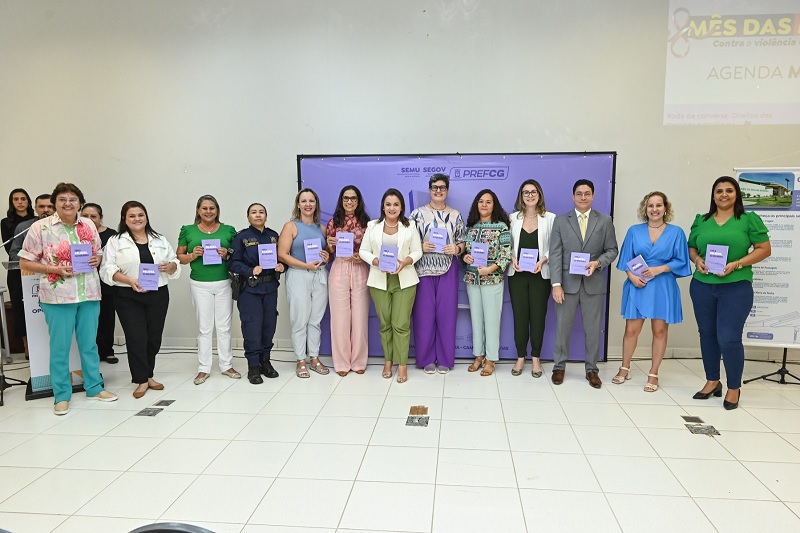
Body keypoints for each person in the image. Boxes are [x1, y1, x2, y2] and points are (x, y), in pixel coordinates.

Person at [18, 183, 118, 415]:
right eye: (62, 199)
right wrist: (52, 268)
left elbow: (98, 252)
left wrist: (96, 259)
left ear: (79, 203)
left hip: (89, 293)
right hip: (57, 296)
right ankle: (61, 395)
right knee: (60, 348)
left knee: (89, 345)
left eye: (73, 199)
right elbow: (25, 261)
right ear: (55, 203)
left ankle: (94, 387)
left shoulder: (89, 224)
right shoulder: (40, 227)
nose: (68, 203)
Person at [688, 176, 771, 410]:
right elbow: (692, 246)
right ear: (713, 195)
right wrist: (697, 260)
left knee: (728, 337)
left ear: (737, 194)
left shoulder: (747, 220)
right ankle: (712, 381)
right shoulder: (702, 220)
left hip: (736, 286)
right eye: (719, 191)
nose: (723, 195)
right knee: (707, 334)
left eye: (729, 190)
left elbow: (764, 249)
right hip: (703, 285)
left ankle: (734, 387)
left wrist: (737, 264)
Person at [100, 201, 181, 399]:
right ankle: (141, 380)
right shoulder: (115, 241)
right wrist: (128, 280)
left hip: (158, 293)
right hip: (127, 295)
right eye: (132, 216)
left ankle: (149, 375)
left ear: (146, 217)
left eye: (140, 215)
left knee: (153, 337)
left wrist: (170, 267)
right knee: (136, 337)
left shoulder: (159, 239)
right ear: (124, 219)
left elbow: (175, 262)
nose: (137, 219)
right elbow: (106, 269)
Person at [614, 192, 691, 391]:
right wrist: (632, 277)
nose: (654, 209)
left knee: (659, 331)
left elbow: (681, 260)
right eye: (650, 206)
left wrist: (660, 269)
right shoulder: (634, 231)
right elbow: (625, 259)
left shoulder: (676, 233)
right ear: (645, 209)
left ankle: (654, 372)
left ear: (666, 208)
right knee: (631, 330)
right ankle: (625, 367)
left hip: (663, 286)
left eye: (658, 205)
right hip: (638, 284)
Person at [550, 179, 618, 388]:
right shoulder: (561, 221)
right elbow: (555, 254)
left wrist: (598, 263)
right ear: (573, 196)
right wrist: (556, 284)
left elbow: (612, 250)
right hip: (567, 285)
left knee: (592, 329)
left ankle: (592, 370)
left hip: (593, 285)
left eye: (587, 193)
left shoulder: (604, 221)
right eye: (579, 194)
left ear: (593, 196)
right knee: (562, 328)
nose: (583, 197)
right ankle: (559, 367)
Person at [359, 188, 422, 383]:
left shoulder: (410, 225)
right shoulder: (373, 226)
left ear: (401, 206)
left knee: (401, 324)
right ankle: (388, 361)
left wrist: (405, 262)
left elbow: (418, 251)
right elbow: (363, 251)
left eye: (396, 204)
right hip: (379, 280)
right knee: (385, 324)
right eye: (388, 204)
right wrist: (376, 261)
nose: (392, 208)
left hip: (405, 280)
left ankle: (402, 364)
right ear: (383, 206)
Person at [176, 195, 240, 385]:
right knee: (205, 328)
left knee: (224, 327)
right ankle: (203, 368)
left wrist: (227, 253)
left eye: (212, 208)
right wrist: (192, 254)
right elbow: (179, 257)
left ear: (217, 210)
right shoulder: (188, 230)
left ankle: (226, 365)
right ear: (198, 210)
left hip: (224, 283)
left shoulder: (229, 230)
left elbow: (237, 255)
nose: (208, 211)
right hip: (200, 284)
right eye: (204, 208)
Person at [409, 174, 466, 374]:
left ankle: (444, 359)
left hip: (447, 269)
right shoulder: (417, 214)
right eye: (434, 187)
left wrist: (457, 249)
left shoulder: (455, 215)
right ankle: (425, 359)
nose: (438, 191)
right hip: (423, 270)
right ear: (429, 189)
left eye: (442, 187)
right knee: (424, 316)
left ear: (447, 190)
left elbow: (462, 241)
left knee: (446, 315)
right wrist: (420, 245)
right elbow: (407, 242)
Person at [278, 188, 331, 378]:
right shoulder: (291, 226)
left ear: (316, 204)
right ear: (298, 205)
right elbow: (282, 254)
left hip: (319, 275)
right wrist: (305, 265)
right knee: (299, 319)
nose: (308, 204)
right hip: (298, 275)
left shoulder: (322, 229)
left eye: (311, 201)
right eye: (304, 201)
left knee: (315, 320)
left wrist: (326, 257)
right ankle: (301, 359)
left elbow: (327, 255)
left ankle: (314, 358)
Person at [229, 203, 285, 384]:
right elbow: (232, 263)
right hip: (250, 290)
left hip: (270, 288)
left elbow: (284, 257)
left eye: (261, 212)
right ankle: (253, 366)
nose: (258, 215)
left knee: (269, 326)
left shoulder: (274, 236)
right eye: (254, 212)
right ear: (248, 217)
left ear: (266, 216)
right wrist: (250, 269)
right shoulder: (241, 237)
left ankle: (265, 362)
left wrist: (282, 266)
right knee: (252, 327)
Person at [508, 179, 555, 377]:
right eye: (525, 192)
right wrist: (511, 257)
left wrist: (544, 260)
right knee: (519, 317)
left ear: (539, 194)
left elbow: (556, 246)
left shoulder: (550, 218)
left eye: (533, 191)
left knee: (537, 316)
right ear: (521, 196)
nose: (529, 195)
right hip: (517, 275)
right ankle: (520, 357)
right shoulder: (512, 218)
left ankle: (536, 357)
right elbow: (505, 244)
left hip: (540, 276)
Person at [462, 189, 512, 377]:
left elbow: (506, 254)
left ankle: (491, 359)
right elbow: (466, 251)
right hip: (472, 280)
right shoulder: (471, 227)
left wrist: (490, 269)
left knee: (492, 321)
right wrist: (465, 257)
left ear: (494, 205)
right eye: (481, 201)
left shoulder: (501, 227)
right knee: (476, 319)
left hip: (492, 280)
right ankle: (478, 355)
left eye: (488, 202)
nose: (484, 205)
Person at [325, 185, 370, 376]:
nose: (349, 202)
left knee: (360, 318)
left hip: (359, 268)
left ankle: (359, 361)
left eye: (353, 198)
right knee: (339, 319)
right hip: (339, 268)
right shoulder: (333, 222)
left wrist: (363, 256)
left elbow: (371, 249)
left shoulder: (367, 223)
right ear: (341, 200)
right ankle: (342, 363)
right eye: (346, 198)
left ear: (358, 201)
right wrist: (329, 244)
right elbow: (329, 252)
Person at [8, 194, 54, 359]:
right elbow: (14, 253)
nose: (46, 210)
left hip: (56, 282)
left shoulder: (63, 226)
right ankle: (31, 349)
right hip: (29, 280)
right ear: (35, 208)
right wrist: (32, 261)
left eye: (49, 206)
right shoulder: (25, 227)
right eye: (41, 206)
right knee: (26, 314)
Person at [81, 203, 119, 364]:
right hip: (83, 282)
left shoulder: (112, 235)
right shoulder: (76, 233)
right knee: (87, 319)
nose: (89, 219)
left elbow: (118, 257)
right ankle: (90, 352)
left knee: (106, 317)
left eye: (93, 216)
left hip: (106, 283)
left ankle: (107, 350)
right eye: (85, 216)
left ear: (100, 218)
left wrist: (102, 258)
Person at [2, 188, 34, 254]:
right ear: (12, 202)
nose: (20, 202)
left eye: (23, 199)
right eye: (16, 199)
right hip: (15, 260)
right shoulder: (5, 222)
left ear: (28, 201)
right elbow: (9, 248)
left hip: (36, 259)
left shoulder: (36, 220)